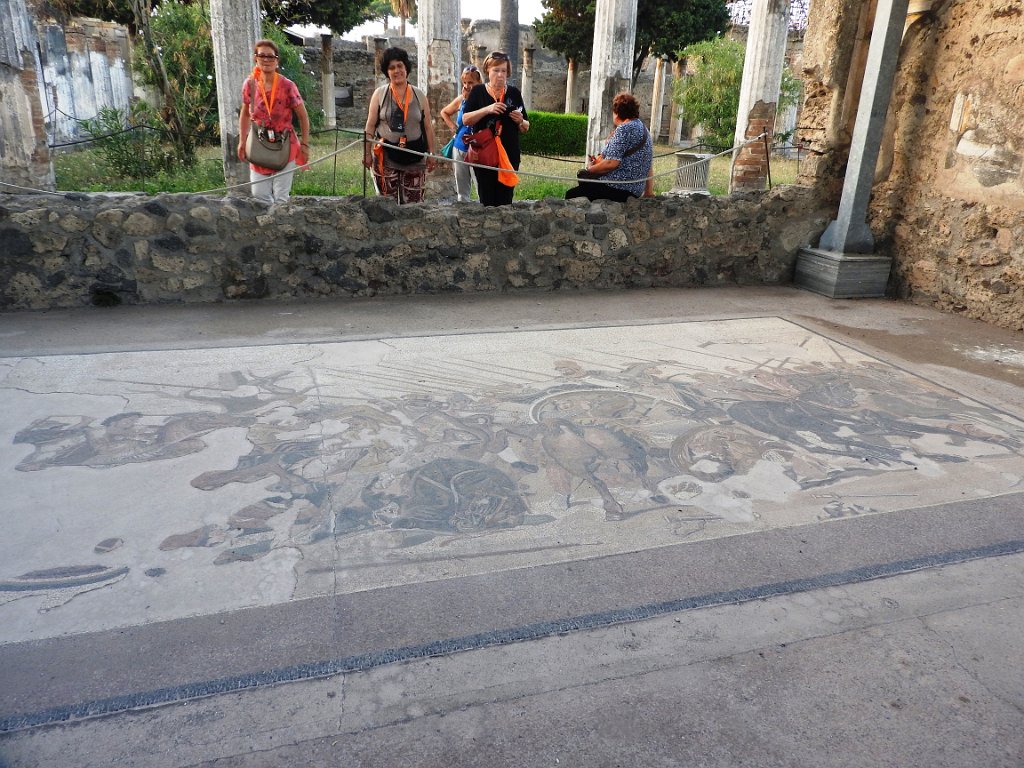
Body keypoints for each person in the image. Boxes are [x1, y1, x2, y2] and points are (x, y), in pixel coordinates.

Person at [237, 39, 311, 205]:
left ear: (277, 60)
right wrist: (242, 141)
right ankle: (269, 218)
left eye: (270, 56)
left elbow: (303, 116)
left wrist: (305, 144)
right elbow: (245, 113)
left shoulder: (288, 86)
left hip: (284, 143)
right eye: (262, 55)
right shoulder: (250, 84)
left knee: (281, 198)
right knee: (259, 195)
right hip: (259, 142)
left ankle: (280, 219)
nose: (266, 59)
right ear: (256, 58)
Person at [363, 47, 437, 204]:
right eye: (392, 67)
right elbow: (370, 125)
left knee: (414, 207)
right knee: (385, 206)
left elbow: (428, 127)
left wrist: (431, 153)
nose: (397, 71)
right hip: (386, 158)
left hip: (414, 158)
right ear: (387, 72)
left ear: (406, 68)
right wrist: (367, 153)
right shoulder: (379, 94)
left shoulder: (419, 95)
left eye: (399, 66)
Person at [461, 51, 530, 206]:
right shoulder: (478, 91)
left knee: (505, 200)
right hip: (484, 154)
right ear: (487, 71)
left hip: (509, 155)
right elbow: (466, 119)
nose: (500, 75)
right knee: (487, 200)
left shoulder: (514, 93)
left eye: (503, 71)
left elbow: (526, 126)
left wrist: (520, 121)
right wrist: (488, 109)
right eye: (496, 70)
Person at [565, 92, 654, 203]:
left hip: (619, 188)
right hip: (635, 190)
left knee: (572, 194)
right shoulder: (644, 129)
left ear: (616, 113)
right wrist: (648, 192)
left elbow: (611, 163)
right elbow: (648, 163)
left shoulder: (624, 129)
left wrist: (590, 169)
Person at [440, 65, 483, 203]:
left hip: (477, 149)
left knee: (481, 186)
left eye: (470, 82)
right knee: (462, 191)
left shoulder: (484, 100)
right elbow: (444, 112)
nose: (466, 86)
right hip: (460, 147)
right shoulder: (461, 99)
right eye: (464, 82)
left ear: (479, 82)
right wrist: (453, 126)